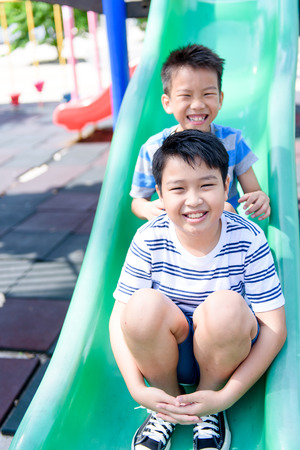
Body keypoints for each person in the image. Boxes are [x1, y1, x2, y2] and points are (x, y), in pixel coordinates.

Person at [109, 130, 286, 450]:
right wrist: (137, 388)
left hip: (223, 352)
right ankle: (166, 404)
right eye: (178, 188)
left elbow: (274, 327)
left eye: (207, 185)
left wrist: (225, 395)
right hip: (165, 356)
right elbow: (118, 318)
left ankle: (210, 408)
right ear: (160, 195)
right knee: (141, 306)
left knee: (227, 308)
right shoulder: (149, 238)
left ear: (226, 187)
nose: (193, 200)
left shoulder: (248, 239)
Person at [130, 44, 270, 222]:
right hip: (180, 226)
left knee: (225, 208)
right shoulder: (154, 147)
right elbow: (138, 200)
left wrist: (259, 198)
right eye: (186, 96)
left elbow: (253, 190)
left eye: (207, 94)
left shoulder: (232, 140)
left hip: (223, 227)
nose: (197, 104)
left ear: (220, 99)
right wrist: (146, 208)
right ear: (168, 103)